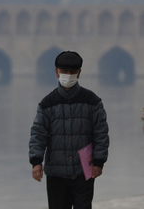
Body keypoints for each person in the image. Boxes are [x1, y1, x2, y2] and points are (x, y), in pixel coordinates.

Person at [29, 51, 109, 209]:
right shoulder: (47, 104)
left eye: (72, 72)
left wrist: (99, 161)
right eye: (64, 71)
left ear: (79, 73)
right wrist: (36, 162)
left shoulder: (92, 102)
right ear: (56, 72)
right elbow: (38, 134)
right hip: (56, 172)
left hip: (83, 171)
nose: (68, 75)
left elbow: (101, 134)